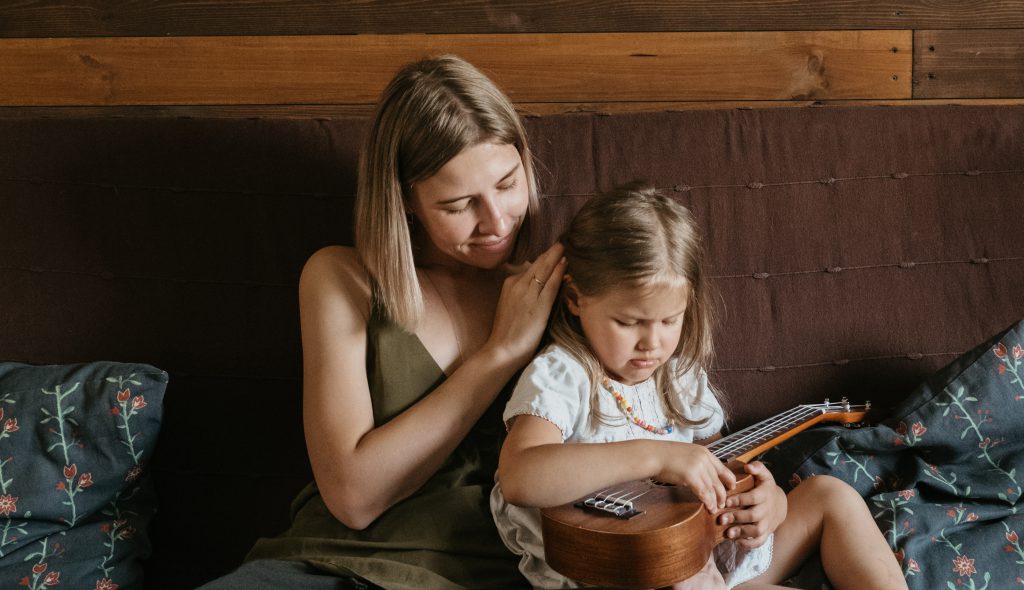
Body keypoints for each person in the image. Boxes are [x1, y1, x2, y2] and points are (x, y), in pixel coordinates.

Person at [199, 54, 565, 589]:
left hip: (479, 574)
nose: (495, 221)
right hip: (326, 564)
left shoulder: (553, 289)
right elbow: (353, 497)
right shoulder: (341, 278)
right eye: (459, 204)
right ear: (405, 201)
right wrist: (501, 353)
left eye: (508, 184)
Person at [490, 183, 908, 589]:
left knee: (830, 496)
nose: (652, 343)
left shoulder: (679, 374)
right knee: (687, 577)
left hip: (702, 549)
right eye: (629, 322)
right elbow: (520, 476)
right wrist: (655, 456)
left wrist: (768, 506)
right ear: (576, 299)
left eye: (670, 321)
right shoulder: (565, 374)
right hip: (619, 573)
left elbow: (720, 466)